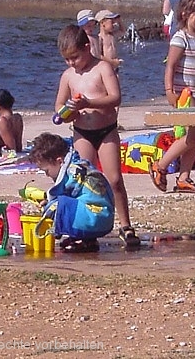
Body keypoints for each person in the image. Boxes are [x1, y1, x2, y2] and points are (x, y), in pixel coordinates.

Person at [54, 24, 140, 248]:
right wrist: (67, 112)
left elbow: (115, 97)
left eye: (75, 57)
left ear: (86, 47)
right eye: (67, 59)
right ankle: (85, 228)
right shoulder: (68, 76)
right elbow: (59, 106)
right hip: (82, 132)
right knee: (84, 182)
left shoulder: (102, 68)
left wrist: (89, 103)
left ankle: (125, 224)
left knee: (113, 179)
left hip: (106, 131)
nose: (72, 63)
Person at [150, 0, 195, 193]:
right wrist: (169, 90)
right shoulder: (181, 37)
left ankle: (184, 177)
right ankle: (160, 165)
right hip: (186, 95)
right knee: (189, 136)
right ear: (185, 14)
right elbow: (170, 66)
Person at [28, 133, 115, 253]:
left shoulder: (73, 172)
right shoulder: (79, 166)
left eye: (46, 170)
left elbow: (60, 197)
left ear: (59, 161)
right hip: (102, 217)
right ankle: (86, 240)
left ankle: (82, 237)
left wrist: (49, 204)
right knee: (71, 203)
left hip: (97, 217)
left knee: (57, 206)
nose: (46, 175)